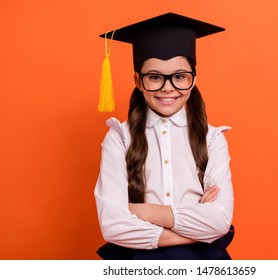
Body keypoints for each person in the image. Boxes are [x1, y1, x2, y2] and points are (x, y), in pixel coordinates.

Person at [94, 13, 234, 260]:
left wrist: (141, 211)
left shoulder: (212, 140)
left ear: (193, 80)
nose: (168, 87)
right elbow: (112, 225)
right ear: (138, 81)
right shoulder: (119, 138)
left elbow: (220, 220)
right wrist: (195, 224)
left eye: (179, 76)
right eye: (155, 77)